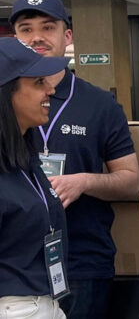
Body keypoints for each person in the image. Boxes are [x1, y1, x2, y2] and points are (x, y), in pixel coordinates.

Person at [10, 0, 139, 318]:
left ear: (66, 36)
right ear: (15, 38)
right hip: (15, 266)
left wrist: (83, 181)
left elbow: (130, 181)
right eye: (26, 29)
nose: (36, 36)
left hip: (82, 260)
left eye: (47, 27)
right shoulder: (5, 105)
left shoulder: (99, 105)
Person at [0, 37, 73, 318]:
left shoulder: (22, 155)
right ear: (7, 94)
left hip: (45, 303)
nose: (51, 90)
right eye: (39, 82)